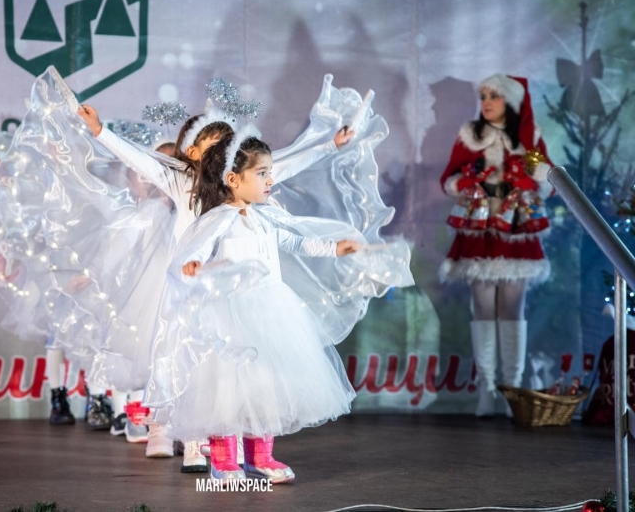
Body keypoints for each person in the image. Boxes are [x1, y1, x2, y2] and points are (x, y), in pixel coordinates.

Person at [145, 126, 413, 481]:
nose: (270, 180)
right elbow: (192, 252)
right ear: (233, 179)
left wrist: (334, 248)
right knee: (226, 390)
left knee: (266, 385)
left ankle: (261, 456)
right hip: (231, 318)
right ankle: (224, 461)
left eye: (270, 172)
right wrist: (193, 265)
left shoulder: (263, 217)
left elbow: (293, 242)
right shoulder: (218, 219)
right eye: (262, 173)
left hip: (270, 313)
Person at [439, 74, 554, 417]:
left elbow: (547, 179)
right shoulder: (470, 136)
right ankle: (486, 389)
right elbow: (448, 179)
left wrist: (528, 174)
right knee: (483, 306)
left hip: (516, 228)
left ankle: (511, 389)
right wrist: (468, 180)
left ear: (511, 102)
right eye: (484, 96)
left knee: (512, 309)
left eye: (494, 96)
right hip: (480, 226)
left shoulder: (528, 138)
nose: (486, 102)